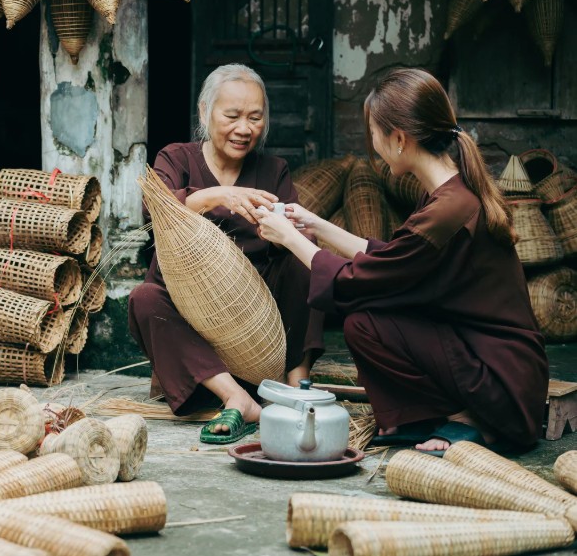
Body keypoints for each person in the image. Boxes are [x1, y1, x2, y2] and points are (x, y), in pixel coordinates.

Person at [256, 68, 549, 455]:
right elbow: (392, 259)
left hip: (503, 389)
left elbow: (358, 279)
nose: (373, 145)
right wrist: (315, 224)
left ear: (397, 139)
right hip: (497, 370)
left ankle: (470, 420)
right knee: (365, 322)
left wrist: (289, 237)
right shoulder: (451, 192)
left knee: (364, 318)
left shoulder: (447, 210)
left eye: (373, 133)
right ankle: (425, 419)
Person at [128, 64, 324, 444]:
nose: (244, 128)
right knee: (144, 298)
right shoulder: (176, 159)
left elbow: (296, 236)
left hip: (257, 318)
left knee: (310, 262)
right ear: (205, 112)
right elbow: (155, 207)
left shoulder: (274, 169)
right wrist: (218, 196)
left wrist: (283, 232)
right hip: (191, 310)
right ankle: (234, 396)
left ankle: (295, 383)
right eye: (232, 116)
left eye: (255, 117)